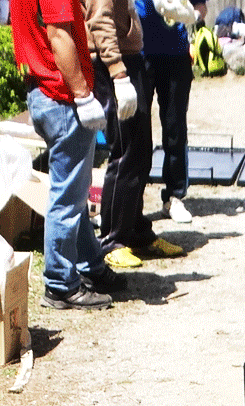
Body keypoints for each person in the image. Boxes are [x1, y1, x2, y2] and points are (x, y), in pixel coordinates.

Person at [11, 0, 114, 308]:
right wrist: (83, 95)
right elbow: (58, 35)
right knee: (67, 196)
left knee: (74, 190)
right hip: (61, 94)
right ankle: (60, 284)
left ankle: (90, 265)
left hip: (42, 90)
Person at [85, 0, 185, 268]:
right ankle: (112, 240)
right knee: (125, 152)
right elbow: (100, 19)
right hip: (114, 63)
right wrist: (117, 72)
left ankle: (136, 231)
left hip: (130, 56)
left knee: (140, 152)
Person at [135, 0, 206, 225]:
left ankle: (174, 197)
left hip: (175, 54)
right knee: (137, 131)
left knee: (175, 128)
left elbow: (200, 6)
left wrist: (192, 16)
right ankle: (133, 202)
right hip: (139, 52)